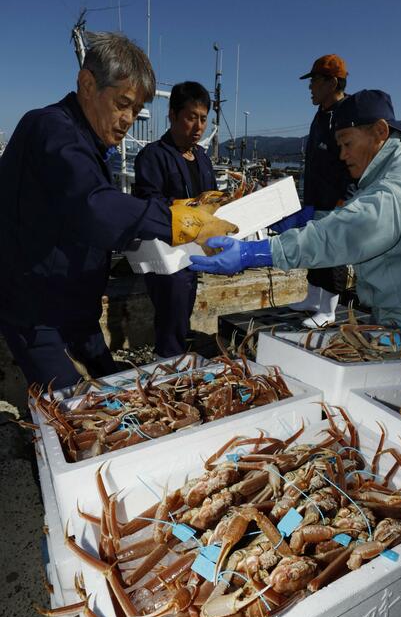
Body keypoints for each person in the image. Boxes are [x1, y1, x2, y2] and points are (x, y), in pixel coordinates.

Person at [0, 33, 236, 389]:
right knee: (75, 414)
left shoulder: (91, 146)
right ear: (87, 84)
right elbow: (92, 206)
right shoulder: (49, 127)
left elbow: (106, 218)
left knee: (119, 393)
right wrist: (178, 220)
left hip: (79, 312)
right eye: (122, 104)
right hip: (37, 312)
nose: (128, 120)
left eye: (137, 111)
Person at [190, 90, 401, 339]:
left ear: (380, 132)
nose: (342, 154)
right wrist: (314, 215)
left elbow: (344, 234)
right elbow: (358, 215)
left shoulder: (398, 188)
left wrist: (255, 253)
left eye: (347, 142)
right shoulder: (396, 169)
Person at [134, 82, 217, 358]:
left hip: (194, 250)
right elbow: (150, 202)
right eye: (191, 117)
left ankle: (175, 356)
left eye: (203, 119)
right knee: (172, 311)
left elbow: (213, 198)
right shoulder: (153, 156)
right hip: (166, 254)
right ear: (173, 115)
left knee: (183, 311)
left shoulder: (203, 158)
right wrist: (190, 208)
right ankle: (166, 364)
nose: (198, 126)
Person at [291, 54, 353, 327]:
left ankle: (328, 310)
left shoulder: (347, 115)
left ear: (331, 82)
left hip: (337, 200)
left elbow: (354, 163)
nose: (310, 87)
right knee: (315, 248)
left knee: (333, 253)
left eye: (314, 80)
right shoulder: (321, 115)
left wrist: (345, 199)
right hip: (316, 198)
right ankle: (313, 298)